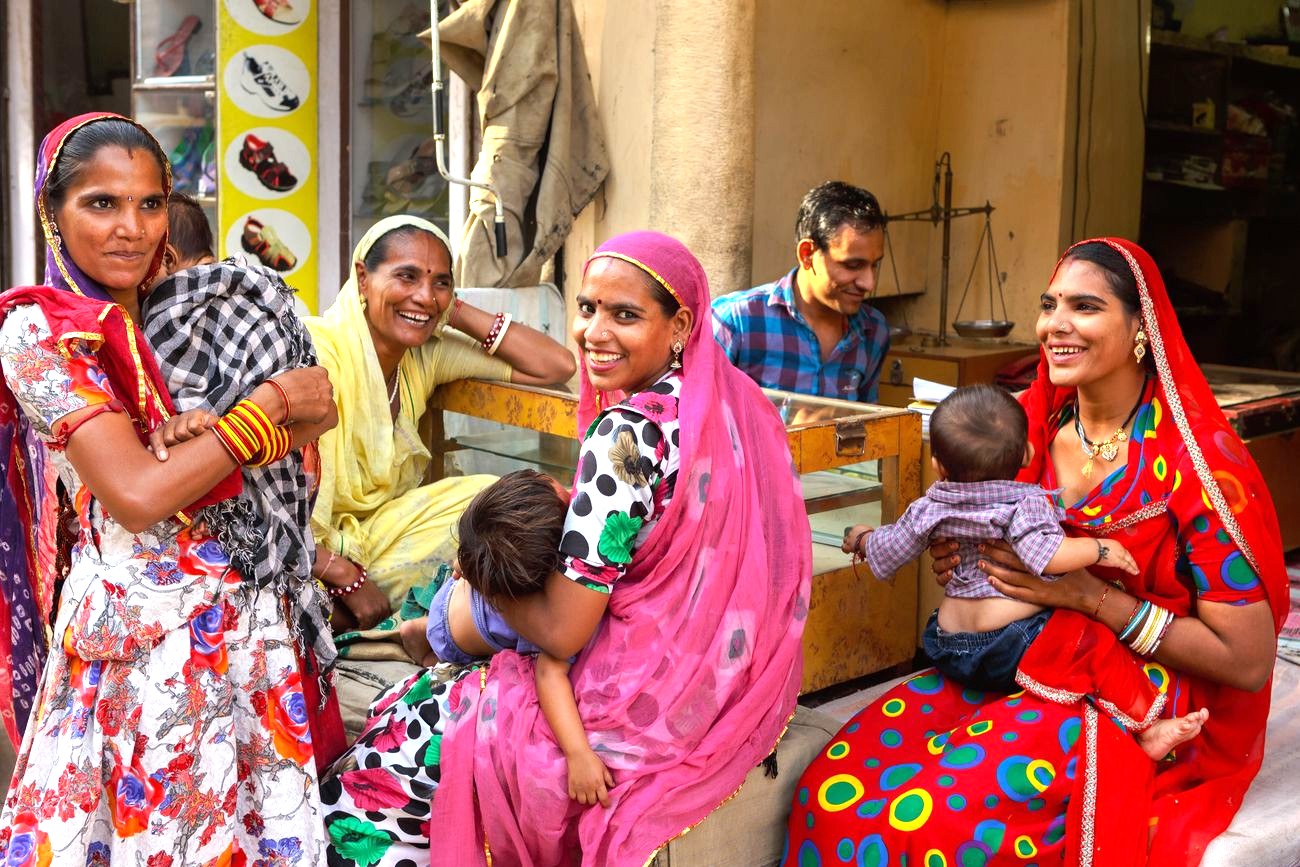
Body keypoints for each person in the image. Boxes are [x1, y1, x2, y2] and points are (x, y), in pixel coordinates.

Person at [786, 239, 1286, 867]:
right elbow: (954, 518)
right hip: (1008, 665)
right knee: (833, 798)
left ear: (1140, 328)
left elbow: (1244, 660)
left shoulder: (1197, 466)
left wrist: (1092, 599)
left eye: (1085, 306)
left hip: (1133, 692)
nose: (1055, 325)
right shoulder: (1022, 427)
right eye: (1050, 305)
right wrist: (959, 557)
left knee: (939, 827)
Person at [321, 230, 811, 867]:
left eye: (625, 315)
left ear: (680, 323)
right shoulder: (736, 403)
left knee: (388, 754)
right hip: (723, 684)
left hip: (633, 705)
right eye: (587, 309)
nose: (595, 333)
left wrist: (479, 578)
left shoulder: (627, 434)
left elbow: (561, 635)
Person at [0, 113, 337, 862]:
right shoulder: (42, 332)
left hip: (246, 626)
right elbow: (140, 495)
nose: (131, 228)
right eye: (101, 203)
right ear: (51, 211)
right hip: (140, 645)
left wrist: (218, 432)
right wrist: (263, 410)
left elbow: (323, 407)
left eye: (150, 204)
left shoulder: (190, 310)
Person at [844, 383, 1208, 759]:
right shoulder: (1025, 501)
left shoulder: (928, 506)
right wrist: (1099, 549)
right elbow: (1045, 556)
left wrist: (861, 539)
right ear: (1027, 453)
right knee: (1093, 644)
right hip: (1010, 645)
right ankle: (1148, 726)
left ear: (937, 464)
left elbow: (890, 548)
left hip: (946, 643)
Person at [305, 215, 576, 632]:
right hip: (301, 551)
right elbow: (269, 508)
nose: (424, 296)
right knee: (304, 604)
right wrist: (341, 573)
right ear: (363, 278)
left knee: (496, 501)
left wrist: (455, 310)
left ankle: (374, 617)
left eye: (440, 283)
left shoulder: (424, 357)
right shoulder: (315, 350)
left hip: (376, 537)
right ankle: (369, 616)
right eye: (406, 277)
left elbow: (555, 366)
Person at [399, 468, 616, 807]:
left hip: (460, 583)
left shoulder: (502, 530)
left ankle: (425, 615)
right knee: (472, 652)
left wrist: (467, 564)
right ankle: (422, 638)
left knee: (461, 578)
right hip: (450, 638)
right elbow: (549, 673)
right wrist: (578, 754)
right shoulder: (549, 613)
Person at [713, 180, 890, 403]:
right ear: (807, 254)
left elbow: (869, 426)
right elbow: (694, 421)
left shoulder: (873, 332)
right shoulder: (736, 322)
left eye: (875, 265)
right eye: (853, 265)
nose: (869, 283)